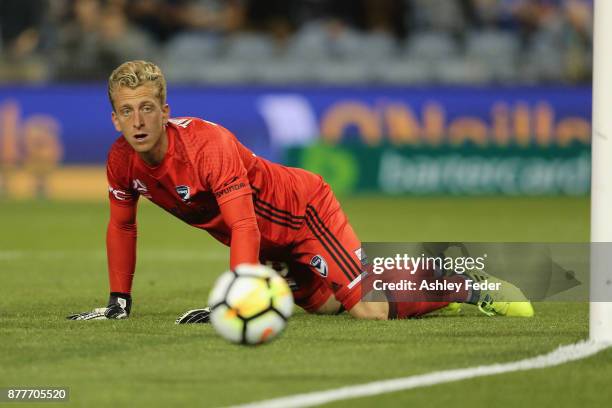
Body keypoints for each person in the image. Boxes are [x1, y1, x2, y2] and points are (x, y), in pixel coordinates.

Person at [67, 60, 534, 322]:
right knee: (328, 305)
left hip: (303, 212)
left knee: (368, 310)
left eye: (147, 108)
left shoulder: (209, 146)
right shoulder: (120, 160)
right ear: (114, 118)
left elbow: (243, 223)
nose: (138, 121)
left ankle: (460, 284)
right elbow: (121, 225)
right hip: (267, 241)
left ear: (165, 110)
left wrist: (234, 301)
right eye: (127, 111)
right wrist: (118, 301)